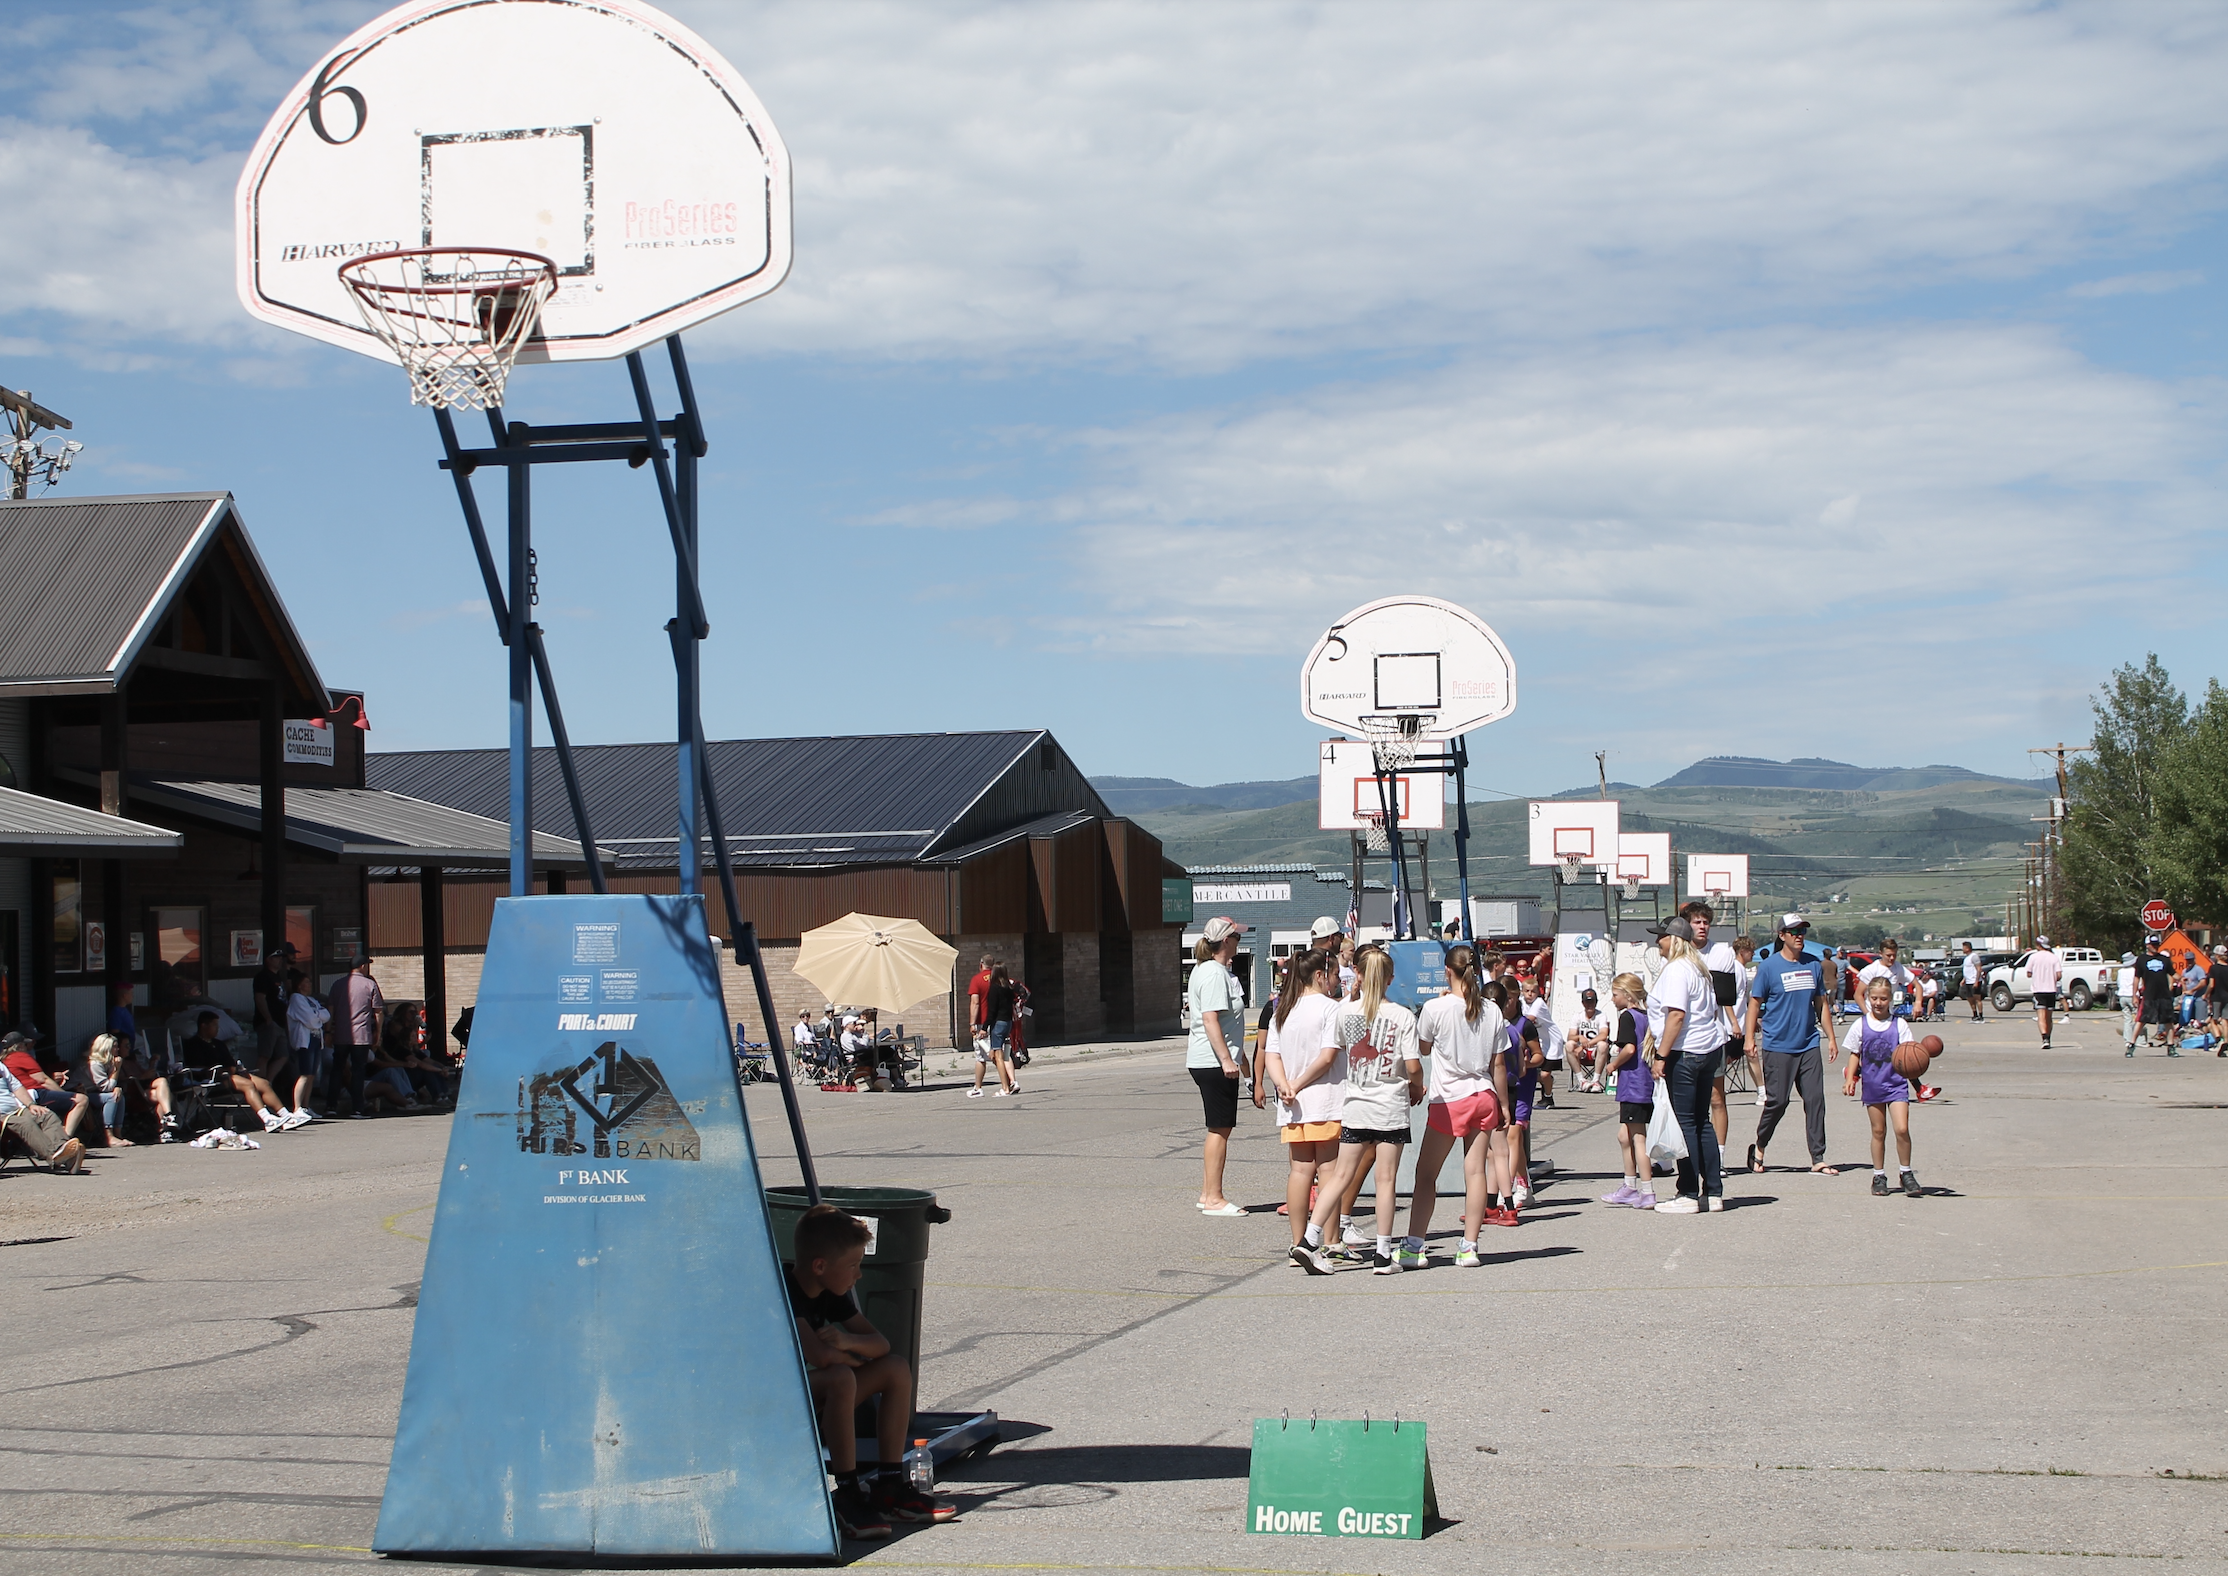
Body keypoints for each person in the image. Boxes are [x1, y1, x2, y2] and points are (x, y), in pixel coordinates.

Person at [785, 1203, 954, 1538]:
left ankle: (889, 1486)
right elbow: (820, 1356)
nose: (858, 1275)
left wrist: (847, 1341)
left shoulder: (829, 1290)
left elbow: (880, 1345)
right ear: (820, 1266)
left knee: (895, 1368)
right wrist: (849, 1358)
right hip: (776, 1398)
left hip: (814, 1389)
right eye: (853, 1266)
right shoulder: (787, 1289)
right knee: (840, 1376)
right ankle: (847, 1492)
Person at [1294, 949, 1421, 1275]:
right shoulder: (1403, 1016)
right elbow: (1412, 1066)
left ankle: (1309, 1239)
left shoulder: (1345, 1011)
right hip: (1390, 1106)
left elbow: (1338, 1048)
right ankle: (1382, 1253)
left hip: (1356, 1105)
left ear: (1358, 975)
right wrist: (1417, 1086)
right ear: (1390, 979)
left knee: (1340, 1176)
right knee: (1386, 1179)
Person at [1404, 944, 1509, 1268]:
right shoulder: (1492, 1010)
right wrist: (1504, 1105)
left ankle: (1414, 1245)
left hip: (1450, 1098)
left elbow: (1423, 1048)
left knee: (1426, 1174)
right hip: (1484, 1094)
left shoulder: (1436, 1008)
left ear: (1447, 971)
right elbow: (1498, 1064)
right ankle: (1469, 1246)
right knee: (1475, 1171)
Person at [1744, 914, 1840, 1177]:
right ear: (1782, 935)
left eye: (1802, 931)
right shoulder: (1768, 967)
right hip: (1778, 1045)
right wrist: (1750, 1038)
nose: (1799, 936)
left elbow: (1821, 1004)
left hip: (1808, 1043)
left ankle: (1818, 1157)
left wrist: (1831, 1037)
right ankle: (1760, 1146)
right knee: (1778, 1101)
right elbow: (1755, 1004)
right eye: (1793, 931)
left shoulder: (1813, 965)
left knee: (1815, 1099)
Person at [1644, 916, 1727, 1214]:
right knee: (1702, 1121)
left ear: (1674, 939)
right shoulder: (1698, 967)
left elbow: (1676, 1015)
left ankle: (1689, 1191)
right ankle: (1713, 1191)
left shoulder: (1677, 969)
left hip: (1685, 1051)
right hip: (1708, 1048)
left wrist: (1661, 1056)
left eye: (1662, 937)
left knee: (1685, 1123)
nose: (1658, 942)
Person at [1268, 950, 1346, 1266]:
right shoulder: (1330, 1009)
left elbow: (1271, 1055)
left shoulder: (1283, 1010)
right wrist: (1298, 1084)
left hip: (1293, 1106)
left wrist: (1284, 1084)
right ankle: (1329, 1240)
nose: (1337, 982)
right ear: (1320, 975)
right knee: (1329, 1170)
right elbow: (1327, 1057)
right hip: (1325, 1101)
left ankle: (1296, 1242)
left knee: (1300, 1170)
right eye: (1335, 975)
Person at [1185, 916, 1248, 1214]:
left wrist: (1241, 1062)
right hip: (1213, 1062)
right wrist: (1226, 1060)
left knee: (1219, 1127)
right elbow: (1210, 1020)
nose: (1239, 941)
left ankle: (1207, 1193)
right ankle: (1214, 1198)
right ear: (1226, 941)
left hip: (1214, 1060)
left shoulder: (1212, 970)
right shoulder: (1213, 973)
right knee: (1219, 1129)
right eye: (1236, 937)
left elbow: (1228, 1025)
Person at [1841, 976, 1921, 1197]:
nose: (1878, 1003)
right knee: (1878, 1131)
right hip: (1873, 1085)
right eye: (1874, 998)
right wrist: (1850, 1079)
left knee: (1902, 1129)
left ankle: (1906, 1172)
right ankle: (1879, 1175)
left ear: (1890, 999)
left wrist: (1917, 1076)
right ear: (1868, 998)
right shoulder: (1861, 1024)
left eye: (1883, 999)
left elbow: (1909, 1054)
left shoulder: (1899, 1024)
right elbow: (1855, 1053)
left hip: (1896, 1084)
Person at [176, 1010, 300, 1130]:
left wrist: (237, 1068)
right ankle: (267, 1119)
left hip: (232, 1074)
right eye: (214, 1025)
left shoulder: (219, 1044)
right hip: (212, 1079)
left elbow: (230, 1061)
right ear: (203, 1025)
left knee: (264, 1083)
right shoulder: (193, 1044)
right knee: (248, 1084)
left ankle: (285, 1115)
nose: (217, 1029)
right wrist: (220, 1071)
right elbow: (196, 1066)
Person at [1599, 972, 1659, 1209]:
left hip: (1634, 1084)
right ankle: (1629, 1185)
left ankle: (1647, 1190)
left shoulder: (1628, 1017)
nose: (1613, 999)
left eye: (1615, 994)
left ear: (1626, 994)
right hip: (1643, 1083)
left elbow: (1630, 1048)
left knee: (1638, 1138)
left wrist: (1613, 1064)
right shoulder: (1646, 1016)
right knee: (1624, 1135)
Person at [0, 1057, 84, 1173]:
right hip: (2, 1117)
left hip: (16, 1110)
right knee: (25, 1123)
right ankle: (55, 1156)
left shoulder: (1, 1066)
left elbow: (16, 1087)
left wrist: (31, 1104)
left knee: (45, 1114)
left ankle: (64, 1151)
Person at [327, 955, 385, 1118]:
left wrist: (328, 1031)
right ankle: (357, 1108)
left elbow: (330, 1009)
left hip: (341, 1034)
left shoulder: (338, 984)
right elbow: (378, 1012)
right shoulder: (369, 984)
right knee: (358, 1071)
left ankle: (330, 1106)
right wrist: (378, 1033)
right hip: (361, 1035)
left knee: (337, 1070)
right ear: (362, 966)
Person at [285, 969, 330, 1120]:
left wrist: (317, 1017)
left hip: (316, 1039)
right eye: (306, 982)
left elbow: (326, 1015)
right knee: (304, 1073)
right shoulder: (296, 998)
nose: (309, 984)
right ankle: (297, 1107)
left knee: (311, 1075)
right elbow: (310, 1020)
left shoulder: (311, 1000)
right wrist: (317, 1018)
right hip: (305, 1040)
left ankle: (306, 1106)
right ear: (299, 985)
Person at [1519, 973, 1563, 1109]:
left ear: (1538, 992)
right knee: (1535, 1073)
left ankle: (1548, 1098)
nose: (1530, 994)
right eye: (1527, 991)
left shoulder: (1539, 1003)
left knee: (1544, 1074)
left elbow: (1529, 1019)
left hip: (1553, 1041)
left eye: (1533, 991)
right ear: (1522, 992)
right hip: (1540, 1041)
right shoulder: (1521, 1002)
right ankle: (1547, 1087)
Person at [2131, 934, 2177, 1053]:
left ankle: (2171, 1046)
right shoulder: (2142, 959)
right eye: (2153, 945)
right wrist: (2134, 995)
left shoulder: (2164, 959)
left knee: (2168, 1021)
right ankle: (2131, 1044)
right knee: (2141, 1020)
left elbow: (2173, 973)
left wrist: (2182, 978)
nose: (2155, 947)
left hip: (2164, 995)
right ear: (2147, 945)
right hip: (2149, 995)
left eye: (2157, 944)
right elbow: (2136, 978)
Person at [981, 963, 1021, 1097]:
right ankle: (1013, 1081)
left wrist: (984, 1028)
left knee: (998, 1056)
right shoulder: (1009, 988)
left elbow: (991, 1011)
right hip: (1008, 1023)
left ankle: (1005, 1088)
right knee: (1006, 1054)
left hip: (998, 1024)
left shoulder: (994, 988)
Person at [1568, 988, 1611, 1093]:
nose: (1590, 1004)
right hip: (1581, 1053)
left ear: (1596, 1002)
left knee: (1603, 1045)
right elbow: (1570, 1036)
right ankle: (1581, 1081)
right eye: (1587, 1002)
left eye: (1592, 1001)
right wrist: (1579, 1037)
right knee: (1569, 1045)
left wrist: (1585, 1045)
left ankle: (1596, 1081)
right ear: (1583, 1003)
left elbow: (1604, 1034)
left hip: (1596, 1051)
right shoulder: (1577, 1016)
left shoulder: (1601, 1016)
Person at [1959, 942, 1985, 1022]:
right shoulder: (1966, 958)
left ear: (1968, 948)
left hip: (1974, 980)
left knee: (1977, 999)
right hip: (1968, 981)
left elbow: (1979, 969)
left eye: (1964, 947)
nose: (1962, 949)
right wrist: (1964, 980)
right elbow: (1967, 970)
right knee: (1970, 998)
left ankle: (1981, 1015)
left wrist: (1976, 981)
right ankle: (1975, 1014)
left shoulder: (1974, 956)